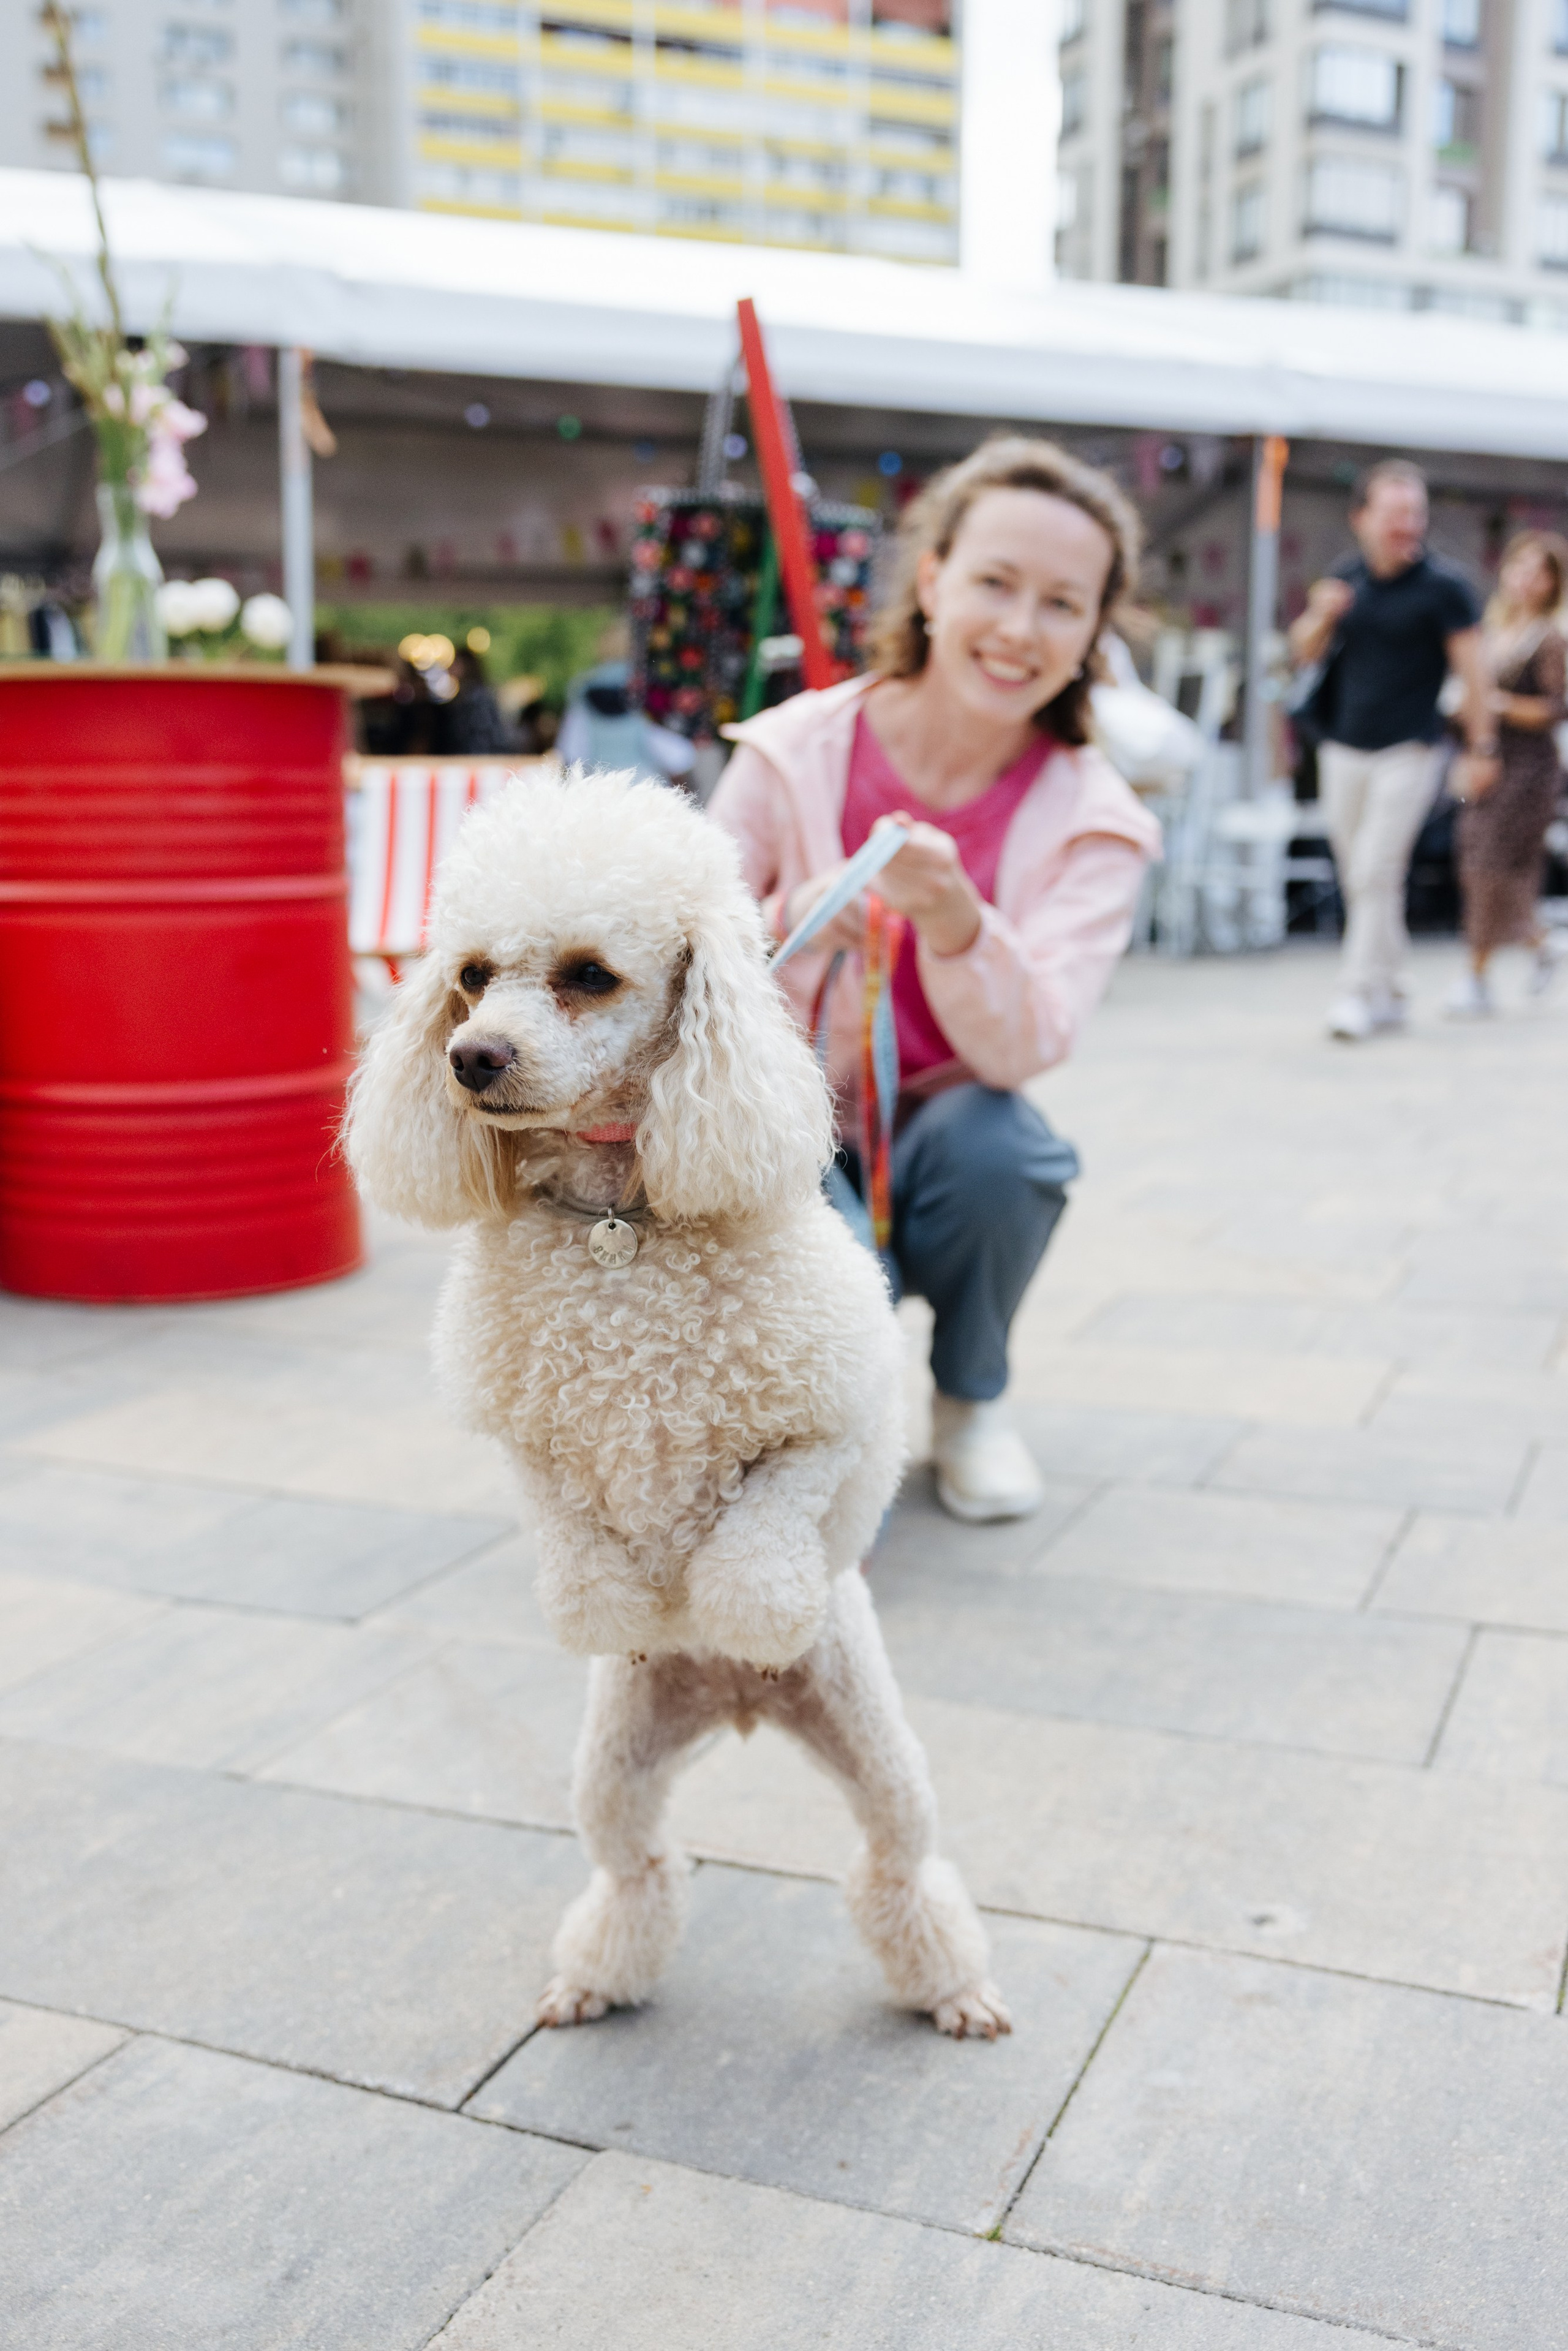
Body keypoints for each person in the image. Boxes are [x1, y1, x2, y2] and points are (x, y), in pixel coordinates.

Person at [708, 437, 1160, 1525]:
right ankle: (798, 1432)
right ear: (932, 578)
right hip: (790, 1120)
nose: (1019, 628)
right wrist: (803, 914)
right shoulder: (789, 751)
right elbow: (684, 956)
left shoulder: (1100, 818)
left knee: (1005, 1142)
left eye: (1063, 602)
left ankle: (971, 1400)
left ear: (1095, 629)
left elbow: (1026, 1041)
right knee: (784, 1182)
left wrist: (959, 923)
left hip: (946, 1142)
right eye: (995, 582)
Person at [1289, 459, 1493, 1042]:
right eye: (1395, 513)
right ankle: (1393, 986)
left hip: (1411, 747)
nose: (1408, 525)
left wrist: (1481, 747)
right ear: (1362, 519)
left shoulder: (1445, 588)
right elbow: (1301, 653)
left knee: (1378, 868)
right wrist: (1321, 612)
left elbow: (1473, 673)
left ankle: (1355, 993)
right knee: (1361, 874)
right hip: (1344, 746)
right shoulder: (1347, 580)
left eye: (1416, 514)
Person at [1444, 531, 1568, 1017]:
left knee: (1490, 865)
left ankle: (1475, 975)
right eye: (1521, 567)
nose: (1527, 580)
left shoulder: (1551, 638)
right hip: (1484, 758)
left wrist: (1497, 705)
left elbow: (1558, 709)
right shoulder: (1490, 633)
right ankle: (1540, 943)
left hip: (1529, 769)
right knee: (1489, 865)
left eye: (1540, 572)